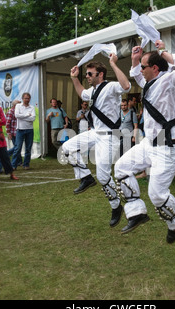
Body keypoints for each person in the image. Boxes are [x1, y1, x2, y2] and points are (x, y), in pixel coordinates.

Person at [114, 40, 175, 243]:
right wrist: (134, 61)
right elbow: (136, 76)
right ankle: (137, 213)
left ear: (155, 68)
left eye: (143, 66)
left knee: (157, 194)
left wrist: (164, 51)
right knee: (121, 168)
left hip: (168, 147)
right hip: (150, 142)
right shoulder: (149, 83)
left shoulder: (173, 81)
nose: (140, 70)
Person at [62, 54, 131, 228]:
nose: (87, 76)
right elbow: (82, 94)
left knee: (103, 176)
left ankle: (116, 207)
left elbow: (126, 86)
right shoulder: (91, 91)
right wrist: (74, 78)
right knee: (67, 148)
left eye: (90, 74)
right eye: (86, 74)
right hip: (95, 133)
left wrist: (113, 64)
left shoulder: (111, 87)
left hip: (109, 136)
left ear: (100, 74)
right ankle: (85, 177)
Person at [11, 92, 36, 170]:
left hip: (29, 130)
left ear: (30, 99)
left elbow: (33, 118)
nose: (27, 100)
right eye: (25, 98)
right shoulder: (18, 106)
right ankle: (13, 165)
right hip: (20, 130)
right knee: (17, 148)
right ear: (22, 99)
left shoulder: (31, 107)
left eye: (28, 98)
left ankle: (26, 164)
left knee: (28, 148)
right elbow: (17, 116)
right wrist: (27, 115)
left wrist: (23, 117)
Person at [6, 99, 22, 166]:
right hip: (13, 133)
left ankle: (19, 161)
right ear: (15, 105)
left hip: (19, 131)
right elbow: (7, 123)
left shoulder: (19, 111)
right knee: (17, 147)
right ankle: (6, 154)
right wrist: (9, 133)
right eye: (19, 104)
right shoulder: (11, 111)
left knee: (18, 147)